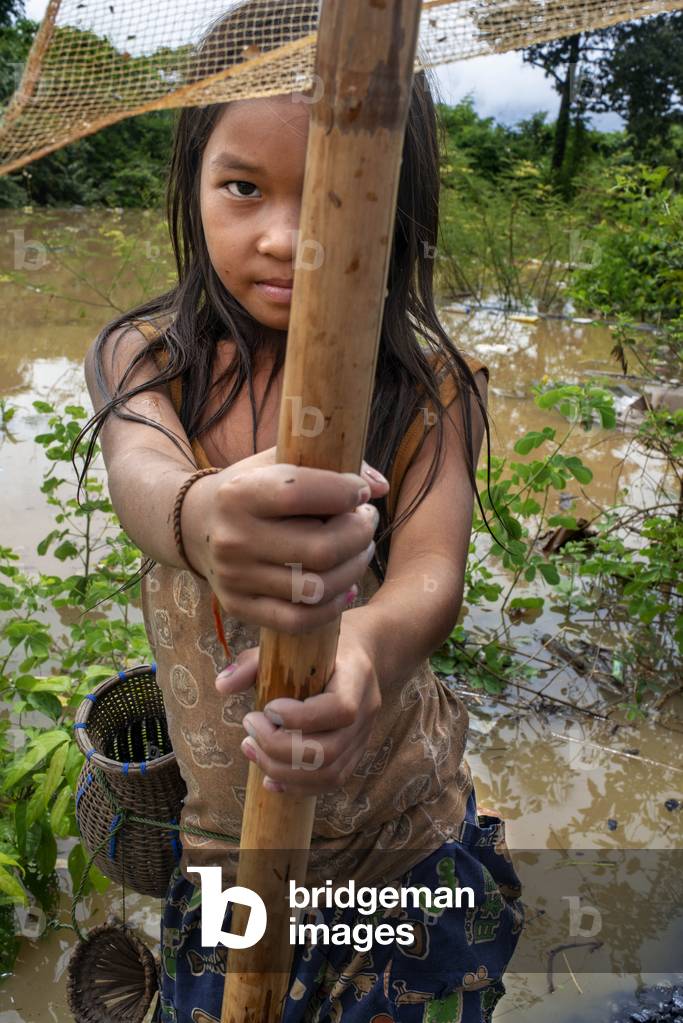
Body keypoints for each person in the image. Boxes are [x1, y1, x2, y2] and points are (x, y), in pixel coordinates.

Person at [78, 3, 524, 1020]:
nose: (281, 238)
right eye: (242, 187)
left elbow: (427, 574)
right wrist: (198, 519)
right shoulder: (148, 358)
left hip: (396, 836)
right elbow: (140, 476)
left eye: (328, 196)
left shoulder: (428, 388)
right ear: (191, 183)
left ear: (394, 205)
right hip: (230, 845)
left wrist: (363, 652)